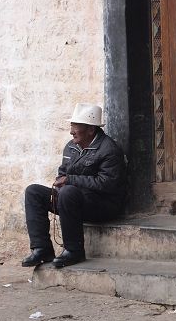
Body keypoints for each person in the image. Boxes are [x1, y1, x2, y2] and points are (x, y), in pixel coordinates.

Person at [22, 103, 127, 268]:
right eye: (72, 127)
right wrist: (61, 183)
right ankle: (42, 249)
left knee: (68, 192)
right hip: (71, 200)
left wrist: (70, 181)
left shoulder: (109, 150)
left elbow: (107, 184)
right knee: (33, 192)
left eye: (75, 127)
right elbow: (62, 174)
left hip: (102, 205)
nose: (71, 132)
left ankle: (74, 250)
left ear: (90, 129)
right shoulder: (71, 147)